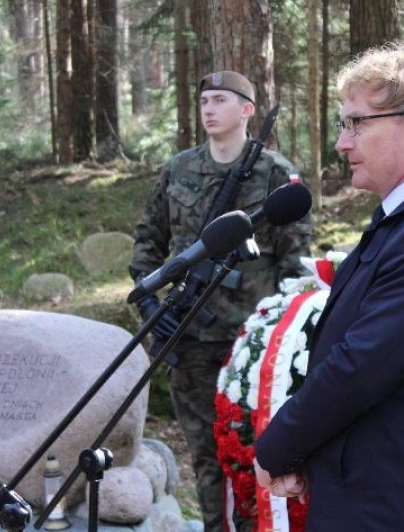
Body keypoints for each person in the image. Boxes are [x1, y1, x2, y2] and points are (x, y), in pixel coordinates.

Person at [253, 42, 404, 531]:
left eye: (357, 123)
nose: (343, 143)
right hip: (366, 496)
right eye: (344, 125)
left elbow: (360, 366)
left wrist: (277, 447)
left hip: (396, 509)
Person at [129, 71, 313, 532]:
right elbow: (147, 241)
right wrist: (152, 310)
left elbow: (296, 266)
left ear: (247, 110)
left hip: (252, 350)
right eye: (204, 100)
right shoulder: (178, 168)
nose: (208, 108)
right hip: (189, 339)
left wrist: (279, 338)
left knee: (257, 453)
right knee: (206, 457)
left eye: (220, 100)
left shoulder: (275, 173)